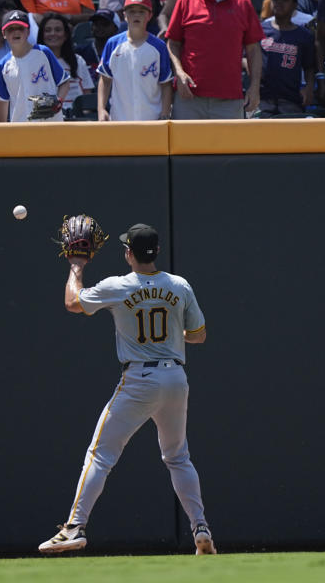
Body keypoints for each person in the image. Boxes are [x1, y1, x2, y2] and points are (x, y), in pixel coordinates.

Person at [38, 222, 214, 556]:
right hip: (176, 379)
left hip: (139, 380)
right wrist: (172, 337)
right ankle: (200, 526)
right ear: (157, 251)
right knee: (178, 456)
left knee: (100, 454)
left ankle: (74, 527)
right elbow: (200, 335)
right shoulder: (179, 285)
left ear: (128, 253)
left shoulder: (118, 285)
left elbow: (73, 303)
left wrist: (76, 267)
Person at [165, 0, 263, 119]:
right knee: (186, 146)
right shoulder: (185, 2)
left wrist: (254, 88)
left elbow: (253, 49)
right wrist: (179, 72)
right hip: (189, 97)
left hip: (230, 99)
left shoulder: (243, 4)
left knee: (229, 147)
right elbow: (173, 42)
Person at [97, 0, 171, 121]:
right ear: (124, 15)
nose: (136, 15)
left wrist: (165, 112)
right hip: (120, 118)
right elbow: (105, 80)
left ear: (150, 15)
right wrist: (101, 109)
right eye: (132, 11)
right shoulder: (113, 44)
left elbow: (165, 84)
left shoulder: (159, 47)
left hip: (151, 118)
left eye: (142, 11)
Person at [0, 9, 70, 122]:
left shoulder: (43, 52)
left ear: (28, 32)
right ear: (3, 34)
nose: (16, 32)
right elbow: (2, 100)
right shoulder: (3, 65)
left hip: (50, 123)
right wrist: (2, 129)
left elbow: (64, 82)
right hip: (20, 126)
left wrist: (58, 101)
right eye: (10, 29)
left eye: (20, 28)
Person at [258, 0, 315, 118]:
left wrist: (308, 88)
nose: (279, 3)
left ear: (295, 4)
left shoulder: (303, 35)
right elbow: (245, 57)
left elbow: (310, 67)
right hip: (262, 98)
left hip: (291, 99)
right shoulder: (260, 30)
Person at [37, 12, 94, 112]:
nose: (53, 33)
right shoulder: (33, 62)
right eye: (48, 30)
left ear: (65, 35)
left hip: (75, 117)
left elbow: (87, 93)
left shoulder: (78, 61)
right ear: (42, 35)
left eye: (58, 30)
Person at [77, 8, 119, 82]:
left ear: (115, 28)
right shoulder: (80, 52)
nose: (99, 27)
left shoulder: (122, 52)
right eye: (96, 24)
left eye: (105, 24)